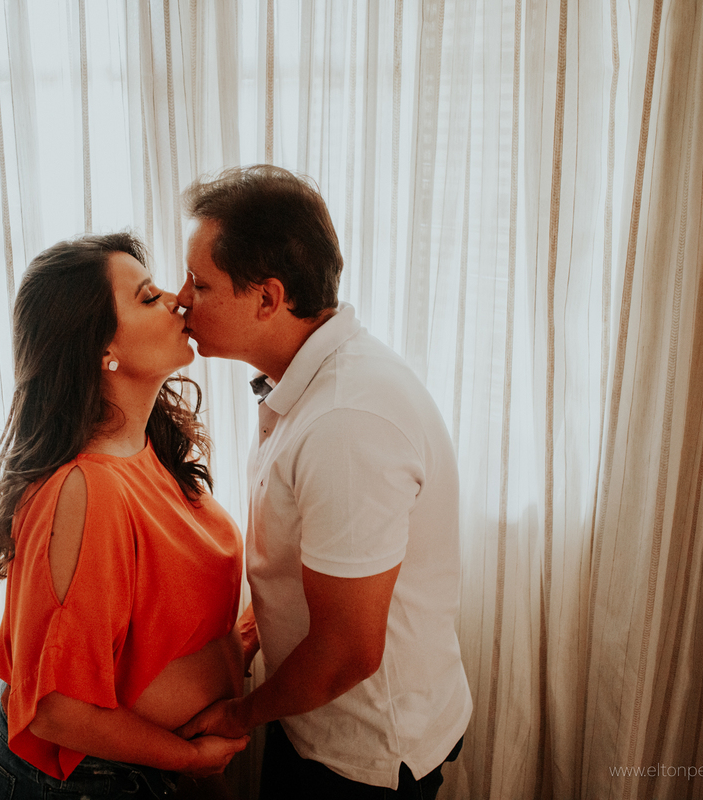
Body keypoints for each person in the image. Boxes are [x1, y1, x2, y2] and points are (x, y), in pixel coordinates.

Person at [175, 166, 472, 800]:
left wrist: (238, 715)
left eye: (200, 283)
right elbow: (293, 567)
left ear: (268, 298)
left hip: (363, 752)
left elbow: (347, 652)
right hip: (316, 712)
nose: (180, 299)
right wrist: (242, 644)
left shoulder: (346, 423)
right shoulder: (313, 382)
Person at [0, 232, 250, 800]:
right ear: (102, 350)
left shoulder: (147, 447)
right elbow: (56, 711)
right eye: (148, 297)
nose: (178, 299)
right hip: (86, 779)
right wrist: (189, 758)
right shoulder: (86, 489)